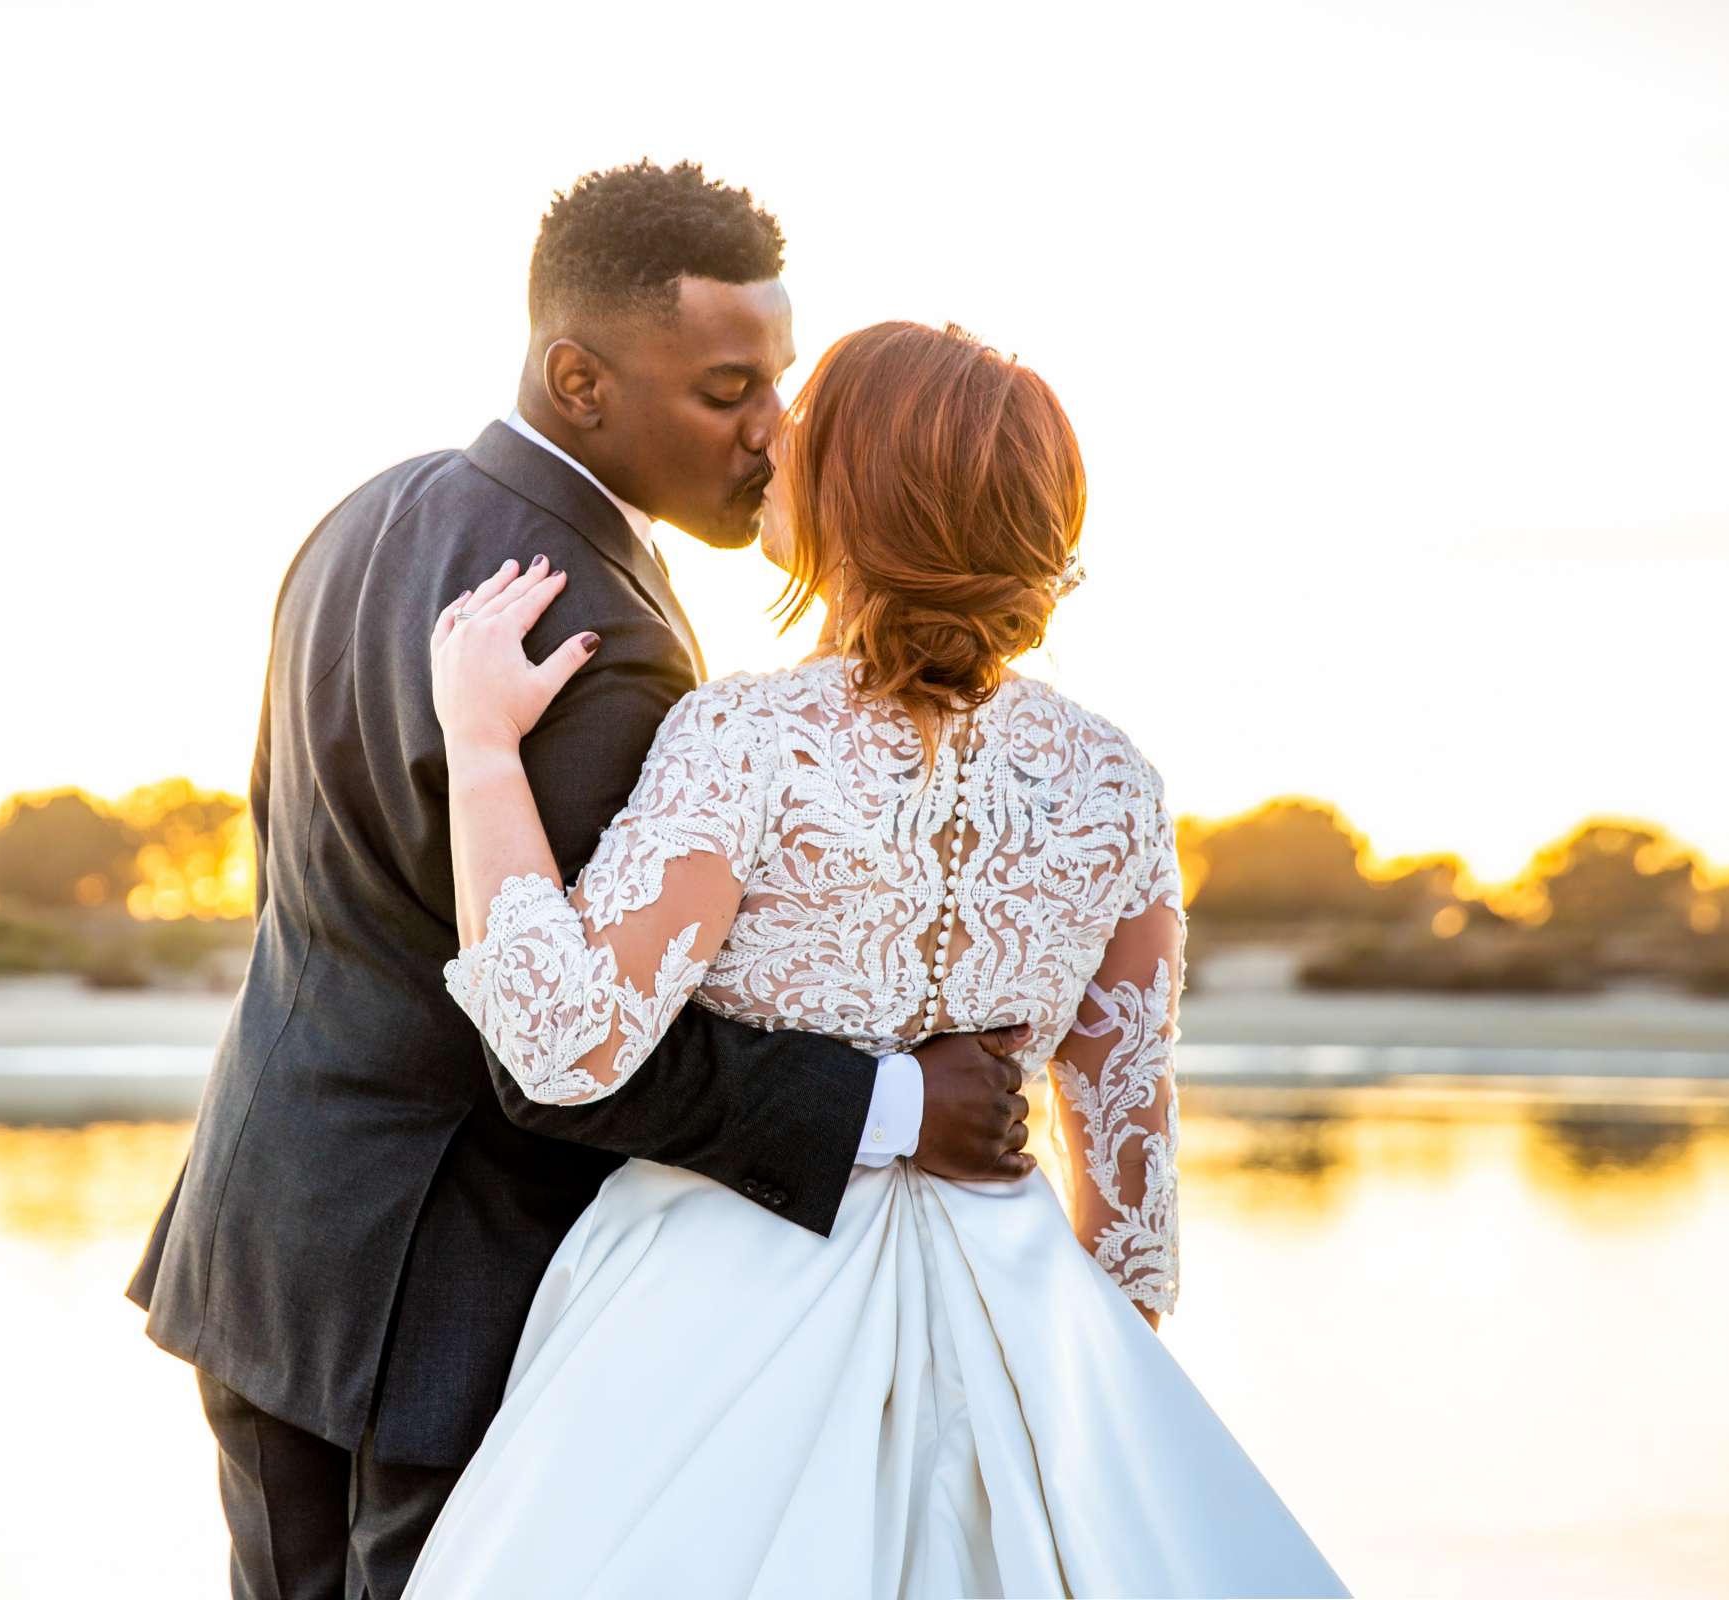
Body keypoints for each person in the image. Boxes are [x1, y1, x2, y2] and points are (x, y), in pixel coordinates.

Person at [124, 160, 1038, 1600]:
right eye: (728, 390)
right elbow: (570, 1047)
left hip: (266, 1232)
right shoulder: (592, 634)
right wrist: (902, 1101)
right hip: (435, 1293)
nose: (773, 431)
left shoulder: (366, 518)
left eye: (780, 381)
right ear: (581, 377)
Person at [407, 320, 1353, 1597]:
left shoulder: (748, 740)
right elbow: (1130, 1218)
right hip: (1014, 1307)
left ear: (859, 497)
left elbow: (567, 1044)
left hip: (710, 1315)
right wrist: (1048, 1412)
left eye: (808, 434)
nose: (775, 444)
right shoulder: (1116, 786)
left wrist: (479, 749)